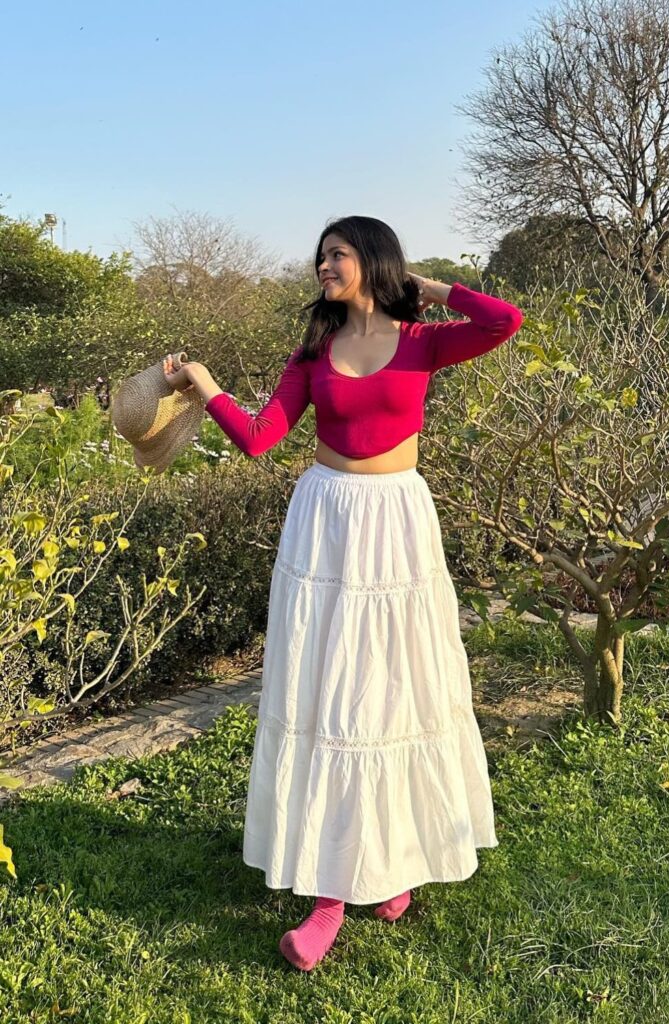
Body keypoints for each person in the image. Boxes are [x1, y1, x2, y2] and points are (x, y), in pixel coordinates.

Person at [162, 215, 525, 972]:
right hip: (326, 525)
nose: (323, 265)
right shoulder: (314, 349)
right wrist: (206, 386)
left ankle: (392, 861)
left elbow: (503, 321)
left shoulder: (424, 340)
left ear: (373, 261)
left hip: (396, 526)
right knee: (330, 694)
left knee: (396, 689)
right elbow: (262, 436)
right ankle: (330, 891)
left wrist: (423, 287)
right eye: (320, 255)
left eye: (338, 254)